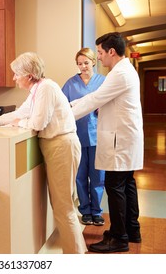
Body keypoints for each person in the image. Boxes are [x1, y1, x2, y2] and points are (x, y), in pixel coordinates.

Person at [0, 52, 87, 254]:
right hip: (56, 147)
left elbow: (37, 123)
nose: (14, 78)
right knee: (62, 206)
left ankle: (76, 257)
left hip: (61, 146)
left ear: (28, 75)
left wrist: (20, 123)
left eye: (16, 74)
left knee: (63, 207)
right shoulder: (37, 90)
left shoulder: (46, 88)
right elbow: (21, 113)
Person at [71, 32, 143, 253]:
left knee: (115, 186)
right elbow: (95, 98)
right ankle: (131, 230)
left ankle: (119, 238)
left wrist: (64, 113)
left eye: (100, 53)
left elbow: (95, 99)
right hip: (125, 139)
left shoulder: (119, 74)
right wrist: (72, 104)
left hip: (119, 141)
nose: (98, 58)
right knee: (127, 184)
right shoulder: (124, 70)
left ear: (111, 51)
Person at [62, 48, 106, 226]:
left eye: (86, 63)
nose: (83, 67)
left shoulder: (103, 82)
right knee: (80, 176)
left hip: (98, 136)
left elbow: (111, 103)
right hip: (77, 136)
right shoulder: (71, 83)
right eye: (79, 64)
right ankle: (85, 210)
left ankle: (97, 211)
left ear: (94, 62)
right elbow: (62, 107)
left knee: (97, 176)